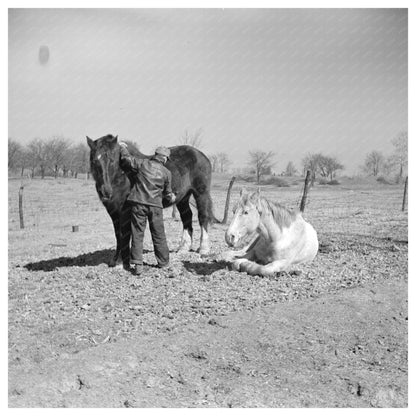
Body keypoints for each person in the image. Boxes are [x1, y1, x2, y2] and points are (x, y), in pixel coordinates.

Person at [119, 142, 176, 275]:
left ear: (156, 155)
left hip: (138, 203)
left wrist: (122, 147)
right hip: (156, 206)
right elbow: (168, 194)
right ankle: (163, 262)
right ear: (164, 158)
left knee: (137, 233)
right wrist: (172, 197)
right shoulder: (167, 173)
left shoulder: (143, 164)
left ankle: (138, 264)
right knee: (159, 234)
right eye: (167, 159)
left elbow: (127, 159)